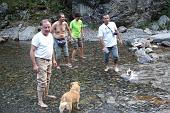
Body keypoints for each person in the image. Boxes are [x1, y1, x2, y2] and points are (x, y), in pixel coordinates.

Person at [30, 19, 57, 108]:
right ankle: (40, 101)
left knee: (48, 79)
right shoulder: (37, 37)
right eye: (45, 27)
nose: (47, 29)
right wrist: (34, 65)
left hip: (49, 60)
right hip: (40, 60)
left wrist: (53, 60)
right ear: (41, 27)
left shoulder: (50, 35)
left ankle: (46, 94)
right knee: (42, 81)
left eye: (49, 27)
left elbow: (51, 48)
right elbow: (32, 51)